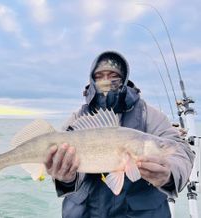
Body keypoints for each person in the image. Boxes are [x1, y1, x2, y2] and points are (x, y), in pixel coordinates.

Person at [44, 51, 195, 218]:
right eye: (99, 76)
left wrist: (170, 173)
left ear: (124, 79)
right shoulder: (78, 119)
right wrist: (65, 178)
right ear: (92, 81)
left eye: (113, 75)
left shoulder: (149, 115)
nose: (106, 80)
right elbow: (60, 159)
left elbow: (180, 149)